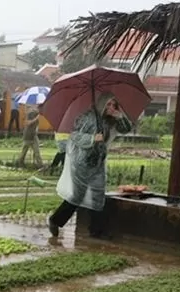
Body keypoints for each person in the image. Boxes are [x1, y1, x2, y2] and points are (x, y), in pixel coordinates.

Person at [48, 94, 132, 239]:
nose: (111, 108)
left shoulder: (110, 120)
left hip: (98, 161)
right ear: (102, 104)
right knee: (77, 196)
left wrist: (119, 116)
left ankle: (96, 231)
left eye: (114, 105)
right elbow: (74, 135)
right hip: (81, 161)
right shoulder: (88, 117)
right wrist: (92, 138)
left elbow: (126, 129)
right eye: (108, 104)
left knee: (98, 196)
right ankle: (55, 221)